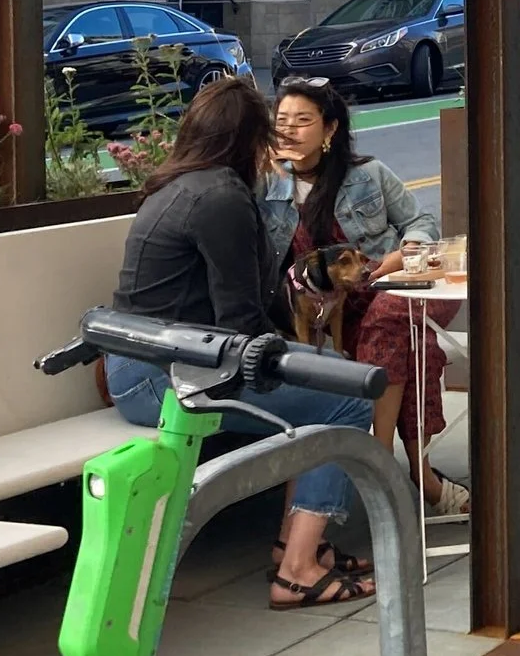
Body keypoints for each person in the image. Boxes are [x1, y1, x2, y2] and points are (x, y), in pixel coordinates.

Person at [109, 78, 376, 609]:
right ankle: (297, 570)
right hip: (166, 378)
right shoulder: (221, 199)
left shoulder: (179, 183)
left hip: (146, 363)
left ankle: (293, 544)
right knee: (348, 394)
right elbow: (242, 325)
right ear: (250, 140)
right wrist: (310, 365)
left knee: (331, 371)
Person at [263, 80, 460, 515]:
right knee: (410, 343)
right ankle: (417, 473)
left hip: (396, 285)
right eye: (281, 122)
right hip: (329, 316)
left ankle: (380, 461)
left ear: (329, 129)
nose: (289, 130)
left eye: (303, 120)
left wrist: (405, 253)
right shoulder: (269, 188)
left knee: (389, 317)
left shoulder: (367, 174)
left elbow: (421, 219)